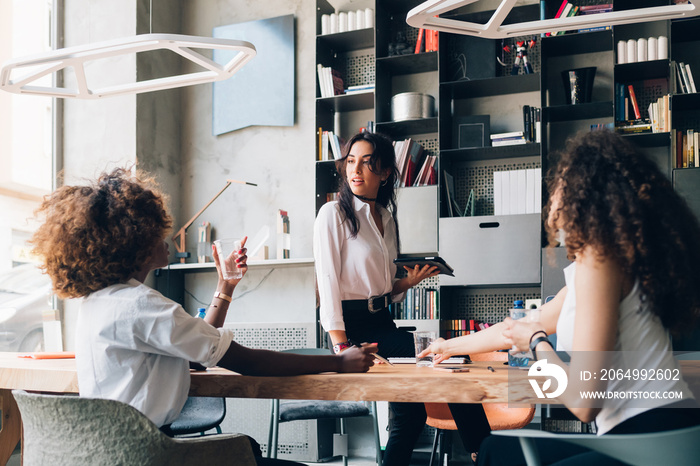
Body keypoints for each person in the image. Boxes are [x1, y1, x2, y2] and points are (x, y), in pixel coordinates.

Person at [29, 167, 377, 465]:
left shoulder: (99, 303)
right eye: (156, 231)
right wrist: (339, 363)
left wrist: (224, 288)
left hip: (113, 453)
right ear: (132, 242)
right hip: (151, 454)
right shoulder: (140, 304)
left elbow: (197, 346)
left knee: (251, 452)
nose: (166, 235)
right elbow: (246, 361)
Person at [419, 129, 700, 465]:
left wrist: (538, 343)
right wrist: (447, 346)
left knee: (499, 455)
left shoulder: (600, 259)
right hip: (671, 431)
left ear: (584, 191)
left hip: (647, 440)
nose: (554, 193)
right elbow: (517, 328)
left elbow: (583, 404)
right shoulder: (608, 262)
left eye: (563, 180)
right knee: (496, 449)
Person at [313, 131, 491, 465]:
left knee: (411, 417)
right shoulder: (332, 215)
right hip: (356, 333)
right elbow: (329, 284)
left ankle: (484, 452)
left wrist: (407, 282)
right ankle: (485, 453)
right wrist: (340, 350)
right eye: (351, 161)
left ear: (384, 173)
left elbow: (381, 289)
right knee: (451, 361)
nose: (356, 170)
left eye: (367, 163)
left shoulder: (385, 218)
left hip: (384, 323)